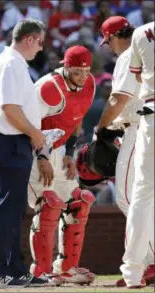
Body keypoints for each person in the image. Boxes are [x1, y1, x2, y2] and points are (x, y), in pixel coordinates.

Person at [0, 18, 49, 289]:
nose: (41, 49)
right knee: (9, 209)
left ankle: (14, 270)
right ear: (30, 39)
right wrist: (35, 133)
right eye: (40, 42)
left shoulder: (11, 62)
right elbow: (10, 109)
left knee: (13, 208)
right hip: (9, 141)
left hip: (11, 141)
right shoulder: (10, 64)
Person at [28, 45, 97, 285]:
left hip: (61, 148)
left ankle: (67, 267)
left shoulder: (90, 84)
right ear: (65, 67)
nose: (82, 77)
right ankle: (41, 270)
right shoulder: (49, 87)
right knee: (48, 204)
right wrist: (42, 156)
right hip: (38, 147)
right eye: (77, 72)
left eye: (86, 71)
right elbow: (31, 124)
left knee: (80, 201)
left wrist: (70, 153)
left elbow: (76, 118)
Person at [95, 18, 154, 288]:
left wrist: (101, 128)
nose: (109, 48)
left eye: (108, 42)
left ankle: (147, 261)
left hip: (139, 127)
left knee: (130, 198)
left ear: (116, 36)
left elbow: (118, 98)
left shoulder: (130, 52)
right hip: (140, 123)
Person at [120, 21, 154, 289]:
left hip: (152, 116)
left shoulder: (142, 31)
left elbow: (139, 75)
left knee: (143, 193)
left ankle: (133, 272)